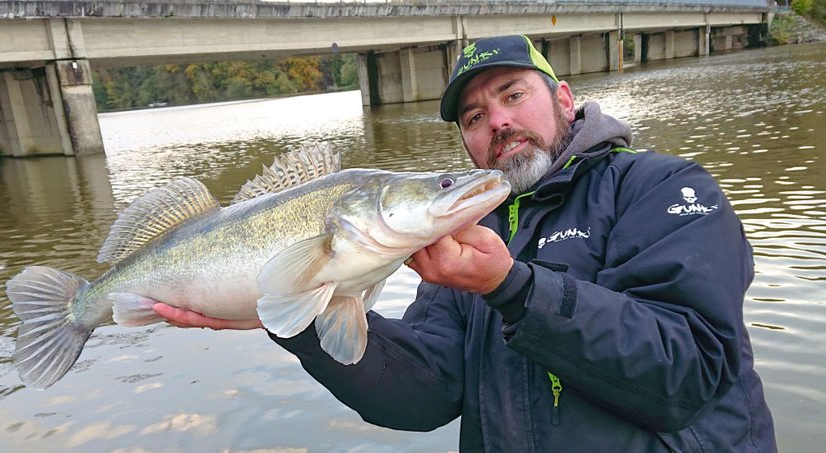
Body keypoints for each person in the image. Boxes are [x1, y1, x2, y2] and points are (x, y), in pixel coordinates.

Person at [154, 34, 777, 451]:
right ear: (466, 145)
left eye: (513, 95)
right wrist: (296, 317)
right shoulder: (459, 244)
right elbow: (425, 395)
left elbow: (689, 373)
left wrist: (513, 288)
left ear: (563, 99)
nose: (498, 121)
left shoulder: (660, 186)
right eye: (474, 117)